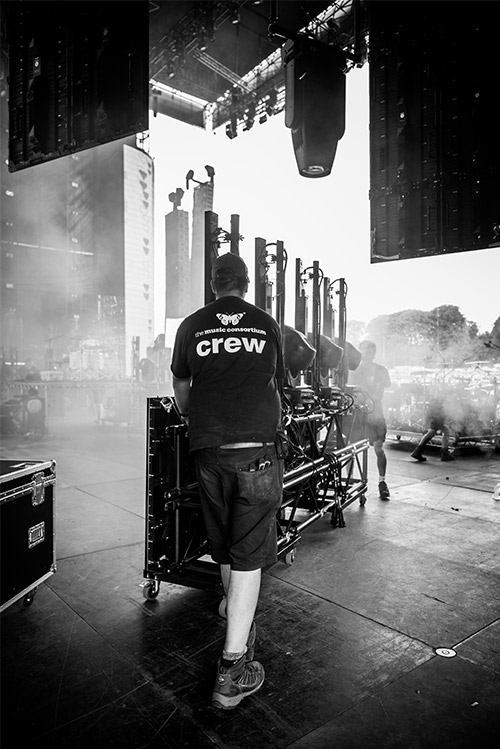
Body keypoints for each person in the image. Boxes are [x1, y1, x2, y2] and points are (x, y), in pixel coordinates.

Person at [170, 252, 284, 710]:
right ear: (247, 284)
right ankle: (232, 670)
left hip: (209, 450)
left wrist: (192, 414)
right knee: (249, 552)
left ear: (214, 285)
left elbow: (181, 386)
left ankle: (229, 606)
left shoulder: (192, 325)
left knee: (223, 542)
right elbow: (277, 379)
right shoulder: (266, 324)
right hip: (256, 449)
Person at [349, 340, 391, 499]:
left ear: (374, 352)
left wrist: (371, 399)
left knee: (379, 449)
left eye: (371, 350)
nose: (368, 352)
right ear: (360, 351)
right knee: (351, 451)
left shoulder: (381, 370)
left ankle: (382, 482)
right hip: (357, 413)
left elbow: (382, 388)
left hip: (375, 413)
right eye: (365, 349)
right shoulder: (353, 369)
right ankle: (354, 485)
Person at [410, 393, 455, 462]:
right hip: (436, 417)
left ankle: (418, 451)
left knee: (435, 432)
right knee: (438, 432)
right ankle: (444, 453)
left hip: (434, 416)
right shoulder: (441, 399)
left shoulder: (437, 398)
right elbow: (441, 409)